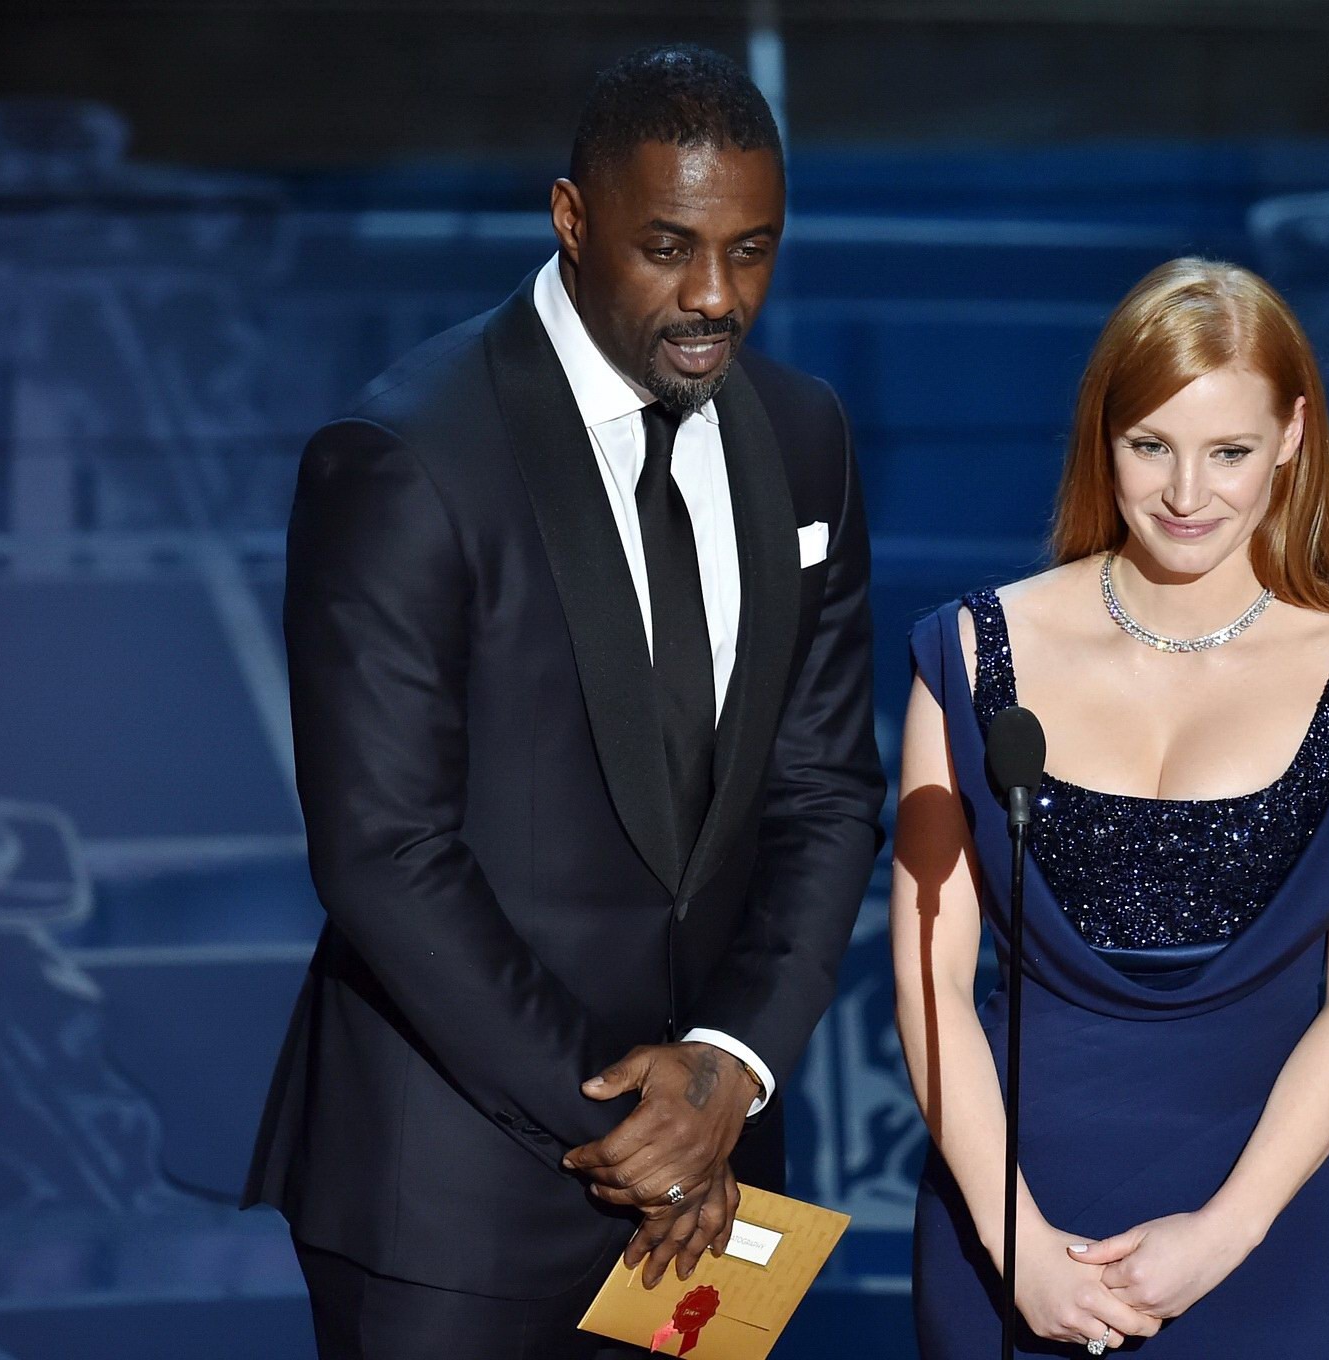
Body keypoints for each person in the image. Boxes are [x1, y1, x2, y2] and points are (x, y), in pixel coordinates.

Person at [242, 45, 884, 1359]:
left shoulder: (802, 433)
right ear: (572, 219)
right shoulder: (406, 459)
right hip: (454, 1203)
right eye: (669, 247)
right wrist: (631, 1128)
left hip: (711, 1190)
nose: (715, 295)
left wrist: (729, 1069)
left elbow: (824, 791)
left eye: (751, 251)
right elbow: (383, 850)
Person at [893, 258, 1329, 1357]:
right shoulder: (966, 653)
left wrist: (1223, 1234)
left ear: (1293, 438)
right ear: (1103, 438)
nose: (1187, 494)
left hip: (1269, 1234)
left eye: (1229, 452)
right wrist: (1017, 1244)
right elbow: (930, 985)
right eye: (1151, 445)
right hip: (1006, 1231)